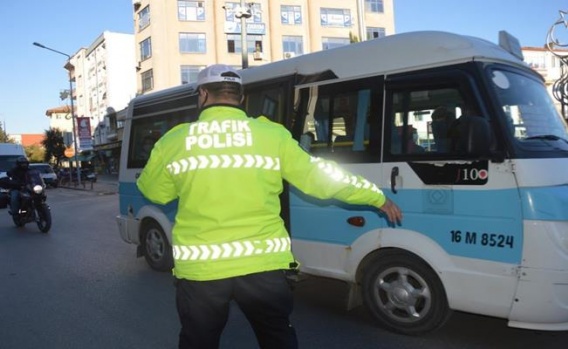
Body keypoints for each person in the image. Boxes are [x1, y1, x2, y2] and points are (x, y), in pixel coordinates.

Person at [137, 64, 403, 349]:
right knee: (277, 338)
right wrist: (377, 197)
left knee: (198, 341)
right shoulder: (271, 135)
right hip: (262, 267)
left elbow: (155, 192)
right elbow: (322, 178)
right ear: (240, 97)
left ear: (202, 94)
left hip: (203, 270)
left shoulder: (175, 141)